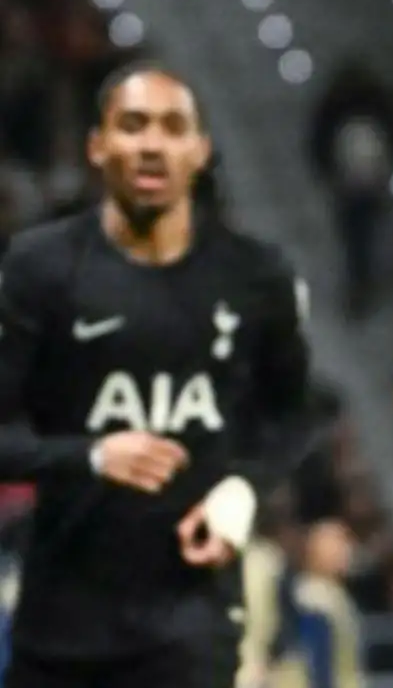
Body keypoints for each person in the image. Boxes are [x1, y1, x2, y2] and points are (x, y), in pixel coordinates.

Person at [0, 63, 314, 688]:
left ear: (200, 150)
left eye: (173, 128)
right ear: (97, 146)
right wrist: (91, 456)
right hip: (61, 621)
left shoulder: (256, 277)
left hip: (190, 621)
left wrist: (241, 491)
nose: (152, 144)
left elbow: (292, 415)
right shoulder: (40, 268)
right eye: (133, 124)